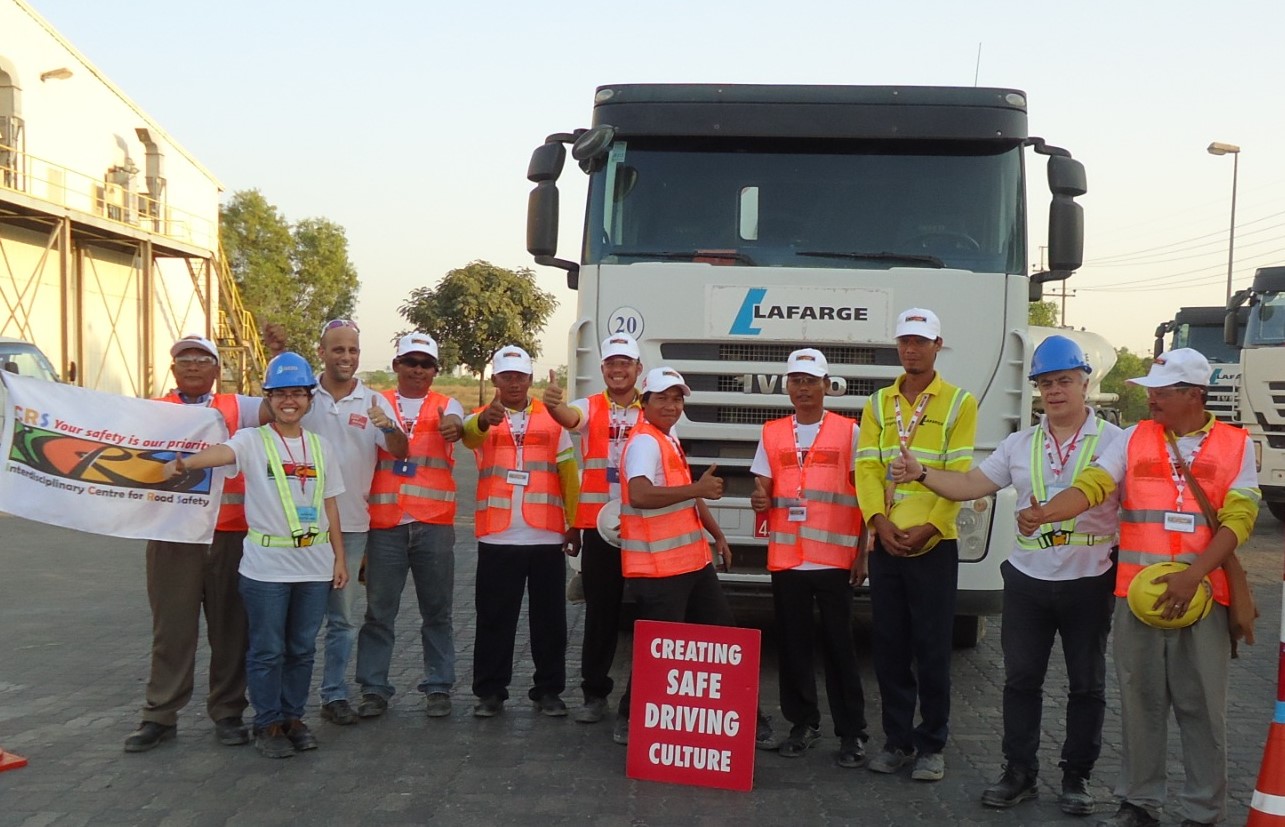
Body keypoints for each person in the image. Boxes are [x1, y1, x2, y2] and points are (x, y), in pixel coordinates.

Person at [1017, 348, 1260, 827]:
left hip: (1203, 598)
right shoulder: (1133, 438)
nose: (1150, 399)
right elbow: (1092, 485)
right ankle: (1139, 803)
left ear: (1193, 394)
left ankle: (1203, 812)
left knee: (1202, 708)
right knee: (1140, 704)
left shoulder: (1236, 445)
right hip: (1136, 600)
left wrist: (1192, 576)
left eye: (1160, 391)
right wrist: (1047, 513)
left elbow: (1239, 519)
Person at [891, 335, 1121, 814]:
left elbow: (1118, 498)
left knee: (1087, 685)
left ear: (1085, 383)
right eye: (1045, 383)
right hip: (1027, 580)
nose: (1054, 391)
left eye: (1064, 381)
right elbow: (970, 483)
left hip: (1089, 579)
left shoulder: (1115, 442)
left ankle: (1077, 777)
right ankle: (1019, 773)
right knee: (1021, 682)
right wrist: (921, 473)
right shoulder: (1020, 444)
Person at [162, 351, 349, 758]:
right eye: (280, 394)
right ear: (268, 399)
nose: (289, 401)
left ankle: (293, 718)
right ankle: (268, 723)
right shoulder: (252, 440)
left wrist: (339, 558)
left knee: (302, 649)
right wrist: (185, 464)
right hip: (266, 570)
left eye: (297, 393)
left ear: (309, 399)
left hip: (314, 566)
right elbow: (222, 454)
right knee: (267, 650)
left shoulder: (321, 448)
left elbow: (330, 504)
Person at [614, 367, 774, 749]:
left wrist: (717, 534)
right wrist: (696, 488)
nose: (672, 406)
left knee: (723, 640)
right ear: (644, 403)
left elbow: (687, 494)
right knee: (662, 650)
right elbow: (639, 494)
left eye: (677, 398)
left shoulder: (667, 438)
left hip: (691, 563)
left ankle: (746, 718)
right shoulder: (645, 442)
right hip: (659, 569)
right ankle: (631, 717)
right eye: (662, 398)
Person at [123, 335, 263, 753]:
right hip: (173, 536)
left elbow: (285, 402)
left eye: (203, 359)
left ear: (217, 369)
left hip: (230, 535)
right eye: (185, 359)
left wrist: (277, 353)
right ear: (173, 368)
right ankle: (160, 716)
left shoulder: (239, 407)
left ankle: (228, 711)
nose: (193, 365)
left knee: (231, 630)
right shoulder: (152, 409)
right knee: (172, 630)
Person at [854, 307, 977, 782]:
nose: (911, 349)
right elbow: (867, 468)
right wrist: (877, 521)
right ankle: (897, 741)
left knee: (932, 649)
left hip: (934, 544)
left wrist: (933, 526)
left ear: (937, 346)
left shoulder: (959, 402)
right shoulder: (877, 403)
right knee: (889, 646)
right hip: (887, 542)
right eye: (905, 341)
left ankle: (932, 745)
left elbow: (959, 473)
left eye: (921, 341)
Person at [749, 348, 869, 767]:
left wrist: (862, 553)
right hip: (788, 559)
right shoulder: (772, 433)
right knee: (793, 647)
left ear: (826, 385)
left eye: (811, 381)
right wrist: (759, 497)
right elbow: (763, 486)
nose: (803, 388)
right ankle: (802, 723)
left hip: (834, 559)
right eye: (796, 381)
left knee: (840, 648)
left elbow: (865, 495)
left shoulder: (849, 432)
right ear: (787, 387)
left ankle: (852, 732)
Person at [461, 345, 580, 717]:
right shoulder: (483, 417)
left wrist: (575, 523)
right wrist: (485, 420)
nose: (514, 383)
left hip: (546, 534)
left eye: (520, 376)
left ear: (530, 378)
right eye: (506, 376)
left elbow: (568, 473)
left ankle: (548, 690)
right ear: (495, 378)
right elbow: (469, 437)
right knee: (494, 618)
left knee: (550, 621)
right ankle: (490, 692)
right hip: (498, 535)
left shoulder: (553, 419)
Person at [300, 318, 408, 725]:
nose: (346, 357)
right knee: (299, 621)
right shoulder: (303, 395)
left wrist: (389, 427)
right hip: (300, 526)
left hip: (350, 527)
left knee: (342, 620)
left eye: (353, 350)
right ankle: (286, 702)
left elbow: (400, 450)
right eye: (338, 349)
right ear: (322, 352)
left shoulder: (373, 401)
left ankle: (333, 695)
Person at [354, 333, 463, 719]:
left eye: (426, 364)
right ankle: (373, 688)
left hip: (433, 524)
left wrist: (453, 426)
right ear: (396, 365)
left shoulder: (447, 404)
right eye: (411, 362)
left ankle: (438, 686)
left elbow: (457, 424)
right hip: (386, 525)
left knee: (437, 611)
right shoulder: (376, 402)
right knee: (379, 613)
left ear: (435, 370)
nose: (418, 369)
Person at [542, 334, 644, 725]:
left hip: (644, 526)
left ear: (638, 369)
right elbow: (570, 418)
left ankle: (640, 697)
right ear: (603, 369)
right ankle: (594, 693)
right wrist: (555, 406)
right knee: (601, 614)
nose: (618, 370)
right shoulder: (590, 406)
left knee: (649, 613)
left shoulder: (653, 406)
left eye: (625, 363)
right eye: (611, 363)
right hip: (601, 529)